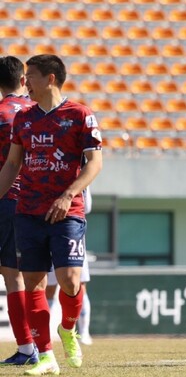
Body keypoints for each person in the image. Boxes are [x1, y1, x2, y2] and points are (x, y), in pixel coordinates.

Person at [0, 54, 102, 375]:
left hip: (66, 210)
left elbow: (95, 163)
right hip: (28, 209)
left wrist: (70, 194)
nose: (25, 82)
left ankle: (68, 329)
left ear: (51, 79)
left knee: (70, 281)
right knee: (33, 283)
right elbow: (12, 165)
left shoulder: (81, 115)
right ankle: (45, 356)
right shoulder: (24, 118)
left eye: (31, 76)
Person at [0, 56, 38, 366]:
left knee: (13, 277)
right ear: (23, 81)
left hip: (3, 198)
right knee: (18, 277)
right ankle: (29, 348)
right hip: (29, 200)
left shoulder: (0, 114)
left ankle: (28, 348)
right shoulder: (34, 113)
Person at [46, 185, 94, 346]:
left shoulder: (81, 175)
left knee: (78, 284)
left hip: (73, 229)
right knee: (48, 288)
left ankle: (83, 332)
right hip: (47, 227)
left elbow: (87, 206)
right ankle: (45, 335)